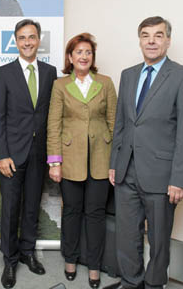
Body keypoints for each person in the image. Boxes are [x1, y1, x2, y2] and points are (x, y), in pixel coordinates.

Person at [105, 16, 183, 289]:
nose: (151, 41)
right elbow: (121, 124)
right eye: (146, 35)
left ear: (168, 40)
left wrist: (180, 178)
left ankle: (155, 284)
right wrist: (115, 163)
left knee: (158, 239)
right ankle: (131, 282)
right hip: (126, 172)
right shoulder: (129, 74)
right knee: (126, 236)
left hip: (162, 174)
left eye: (158, 35)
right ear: (139, 40)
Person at [47, 33, 117, 289]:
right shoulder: (60, 85)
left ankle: (95, 265)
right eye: (79, 52)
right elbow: (54, 125)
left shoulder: (106, 84)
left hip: (101, 159)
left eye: (88, 52)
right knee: (72, 212)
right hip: (70, 161)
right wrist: (55, 163)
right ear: (70, 57)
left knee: (96, 214)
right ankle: (71, 259)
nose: (84, 56)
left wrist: (115, 162)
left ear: (92, 57)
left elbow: (114, 123)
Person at [0, 19, 57, 289]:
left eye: (32, 37)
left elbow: (52, 115)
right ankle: (10, 260)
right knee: (10, 209)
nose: (27, 42)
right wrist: (2, 154)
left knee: (32, 207)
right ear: (15, 42)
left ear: (39, 40)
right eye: (22, 38)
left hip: (39, 153)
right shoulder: (4, 73)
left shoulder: (50, 72)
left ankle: (28, 252)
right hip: (12, 155)